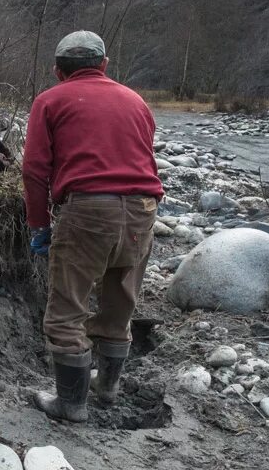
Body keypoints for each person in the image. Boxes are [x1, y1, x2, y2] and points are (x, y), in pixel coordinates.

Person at [21, 31, 164, 423]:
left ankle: (71, 404)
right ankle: (107, 388)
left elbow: (35, 171)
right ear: (103, 66)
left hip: (87, 211)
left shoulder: (50, 101)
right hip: (142, 210)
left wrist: (39, 226)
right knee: (120, 302)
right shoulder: (136, 101)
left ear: (57, 70)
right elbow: (145, 158)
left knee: (67, 310)